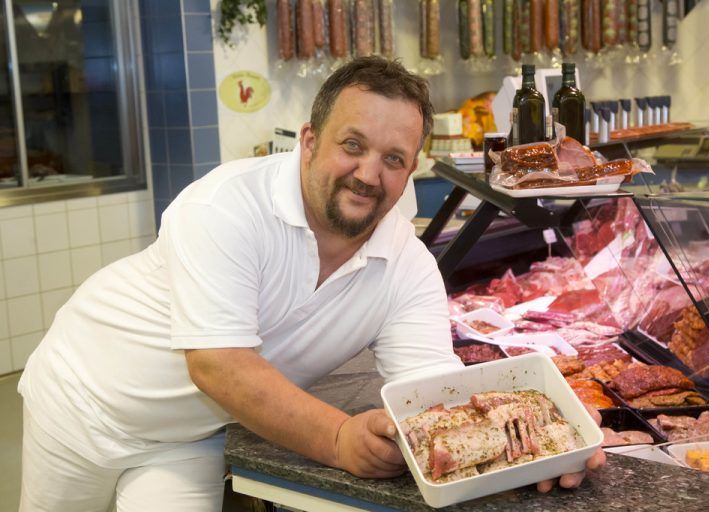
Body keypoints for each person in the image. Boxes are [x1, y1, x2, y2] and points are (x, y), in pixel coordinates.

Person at [18, 56, 604, 512]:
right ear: (308, 141)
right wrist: (340, 438)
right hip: (84, 401)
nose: (369, 174)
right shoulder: (225, 206)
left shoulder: (408, 265)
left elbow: (430, 394)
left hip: (191, 435)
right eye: (352, 145)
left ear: (411, 169)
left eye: (394, 159)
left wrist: (546, 438)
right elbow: (218, 365)